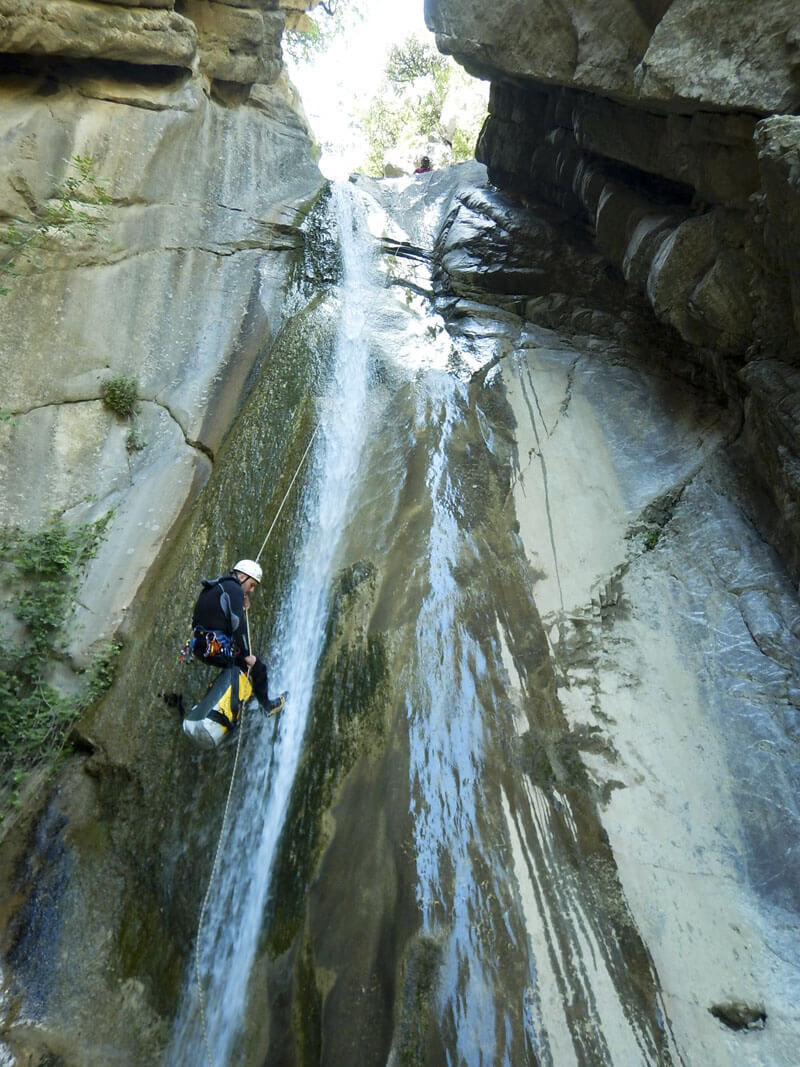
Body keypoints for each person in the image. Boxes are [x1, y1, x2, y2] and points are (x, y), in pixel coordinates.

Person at [188, 558, 285, 714]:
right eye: (252, 585)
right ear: (242, 577)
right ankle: (266, 706)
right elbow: (238, 625)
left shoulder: (215, 586)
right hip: (215, 647)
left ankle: (221, 706)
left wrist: (242, 601)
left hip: (200, 646)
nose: (252, 590)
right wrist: (247, 655)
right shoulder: (234, 590)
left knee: (234, 668)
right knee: (257, 667)